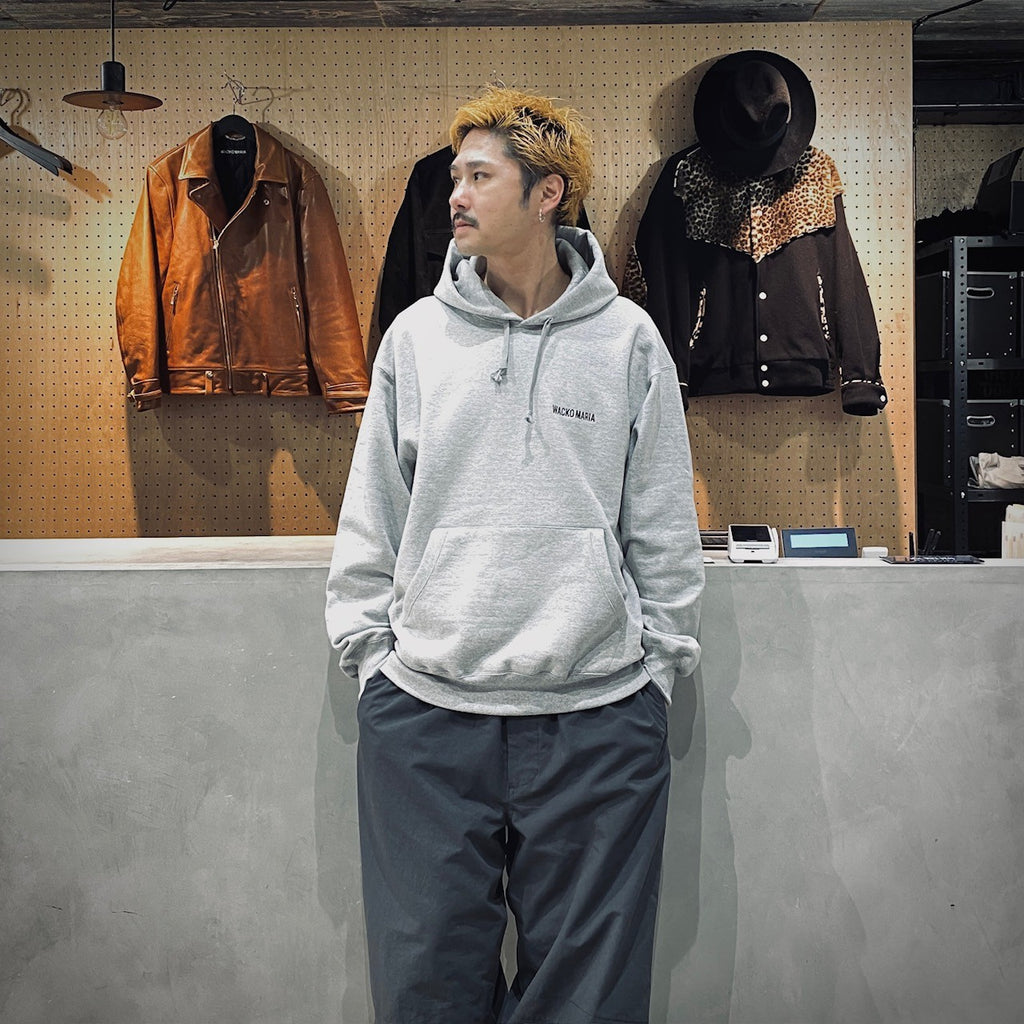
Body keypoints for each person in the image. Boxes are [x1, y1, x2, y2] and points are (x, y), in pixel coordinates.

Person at [325, 85, 704, 1024]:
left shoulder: (628, 341)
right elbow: (372, 514)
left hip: (597, 713)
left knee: (589, 998)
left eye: (478, 176)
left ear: (548, 193)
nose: (454, 194)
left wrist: (657, 672)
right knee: (425, 986)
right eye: (455, 177)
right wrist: (371, 660)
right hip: (427, 713)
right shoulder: (416, 338)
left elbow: (661, 526)